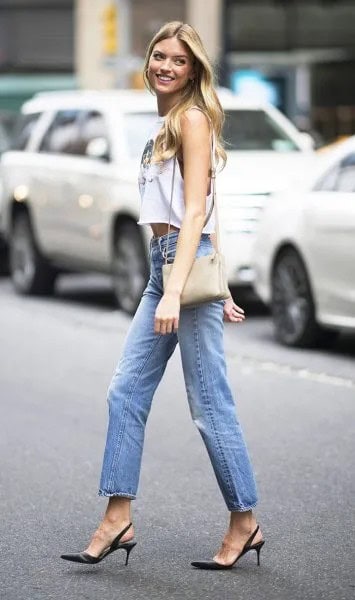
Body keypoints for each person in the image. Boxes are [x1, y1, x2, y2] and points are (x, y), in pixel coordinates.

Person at [61, 21, 264, 570]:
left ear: (194, 69)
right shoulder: (164, 127)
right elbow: (206, 205)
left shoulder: (193, 120)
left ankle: (245, 521)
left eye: (178, 59)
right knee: (125, 393)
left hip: (180, 273)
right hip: (168, 270)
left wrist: (186, 288)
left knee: (208, 405)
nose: (165, 66)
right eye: (158, 56)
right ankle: (117, 515)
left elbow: (196, 212)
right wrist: (202, 282)